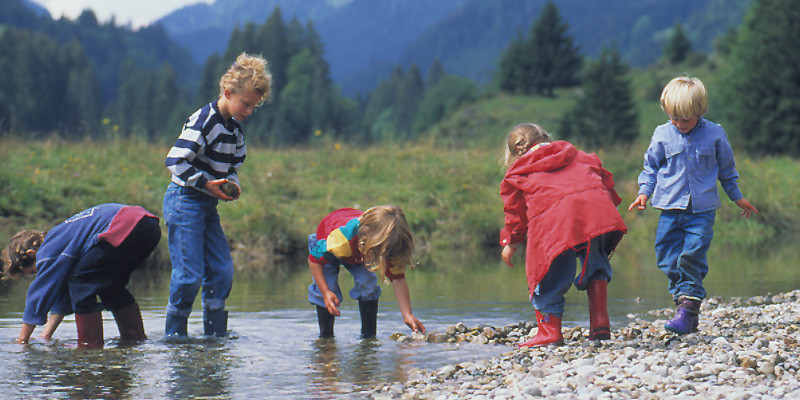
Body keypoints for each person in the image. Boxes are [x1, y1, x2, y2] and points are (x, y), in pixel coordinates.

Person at [628, 76, 758, 335]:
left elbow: (727, 170)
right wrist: (644, 192)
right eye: (673, 117)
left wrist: (736, 196)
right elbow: (651, 167)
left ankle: (688, 306)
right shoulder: (662, 134)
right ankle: (686, 306)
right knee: (666, 257)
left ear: (700, 111)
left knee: (692, 254)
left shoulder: (715, 134)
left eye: (685, 119)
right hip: (669, 207)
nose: (679, 123)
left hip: (702, 210)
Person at [162, 52, 272, 337]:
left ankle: (215, 338)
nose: (248, 111)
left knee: (222, 270)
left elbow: (233, 166)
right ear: (227, 92)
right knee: (189, 276)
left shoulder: (235, 132)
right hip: (183, 200)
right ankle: (176, 338)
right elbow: (175, 161)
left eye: (253, 107)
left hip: (207, 204)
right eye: (245, 104)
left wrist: (229, 184)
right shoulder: (204, 120)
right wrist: (205, 184)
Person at [500, 123, 627, 347]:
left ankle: (549, 331)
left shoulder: (518, 173)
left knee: (550, 271)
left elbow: (516, 215)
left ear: (512, 154)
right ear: (546, 138)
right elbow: (605, 181)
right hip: (596, 210)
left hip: (555, 220)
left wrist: (511, 242)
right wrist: (610, 208)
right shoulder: (580, 156)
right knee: (594, 258)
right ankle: (599, 321)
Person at [1, 204, 160, 347]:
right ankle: (135, 340)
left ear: (32, 253)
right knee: (110, 286)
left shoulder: (47, 251)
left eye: (33, 271)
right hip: (147, 225)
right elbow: (63, 296)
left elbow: (40, 293)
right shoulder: (62, 246)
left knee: (81, 281)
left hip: (126, 225)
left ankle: (89, 348)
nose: (38, 273)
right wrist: (45, 335)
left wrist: (22, 340)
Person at [307, 205, 425, 338]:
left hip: (358, 253)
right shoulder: (340, 241)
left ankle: (368, 337)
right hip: (328, 247)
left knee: (368, 283)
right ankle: (326, 338)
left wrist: (408, 314)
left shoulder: (389, 241)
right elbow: (314, 260)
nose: (386, 256)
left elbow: (398, 278)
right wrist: (325, 292)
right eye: (382, 252)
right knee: (329, 288)